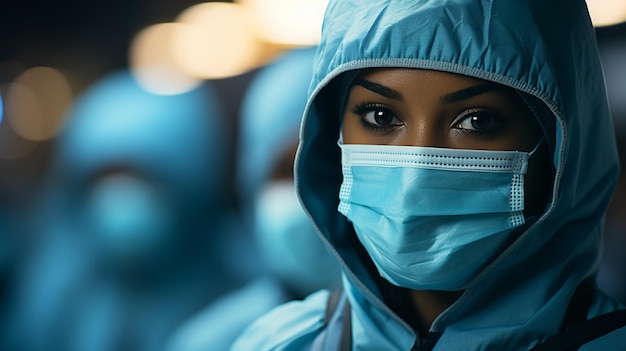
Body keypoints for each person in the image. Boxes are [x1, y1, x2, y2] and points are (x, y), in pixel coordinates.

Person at [231, 0, 626, 350]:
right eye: (380, 116)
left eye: (476, 121)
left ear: (563, 150)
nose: (415, 174)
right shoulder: (279, 343)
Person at [9, 70, 254, 351]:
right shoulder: (55, 296)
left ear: (192, 185)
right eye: (104, 178)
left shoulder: (246, 292)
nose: (120, 197)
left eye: (140, 177)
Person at [164, 47, 341, 351]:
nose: (307, 192)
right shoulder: (217, 342)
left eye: (330, 168)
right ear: (250, 182)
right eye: (285, 170)